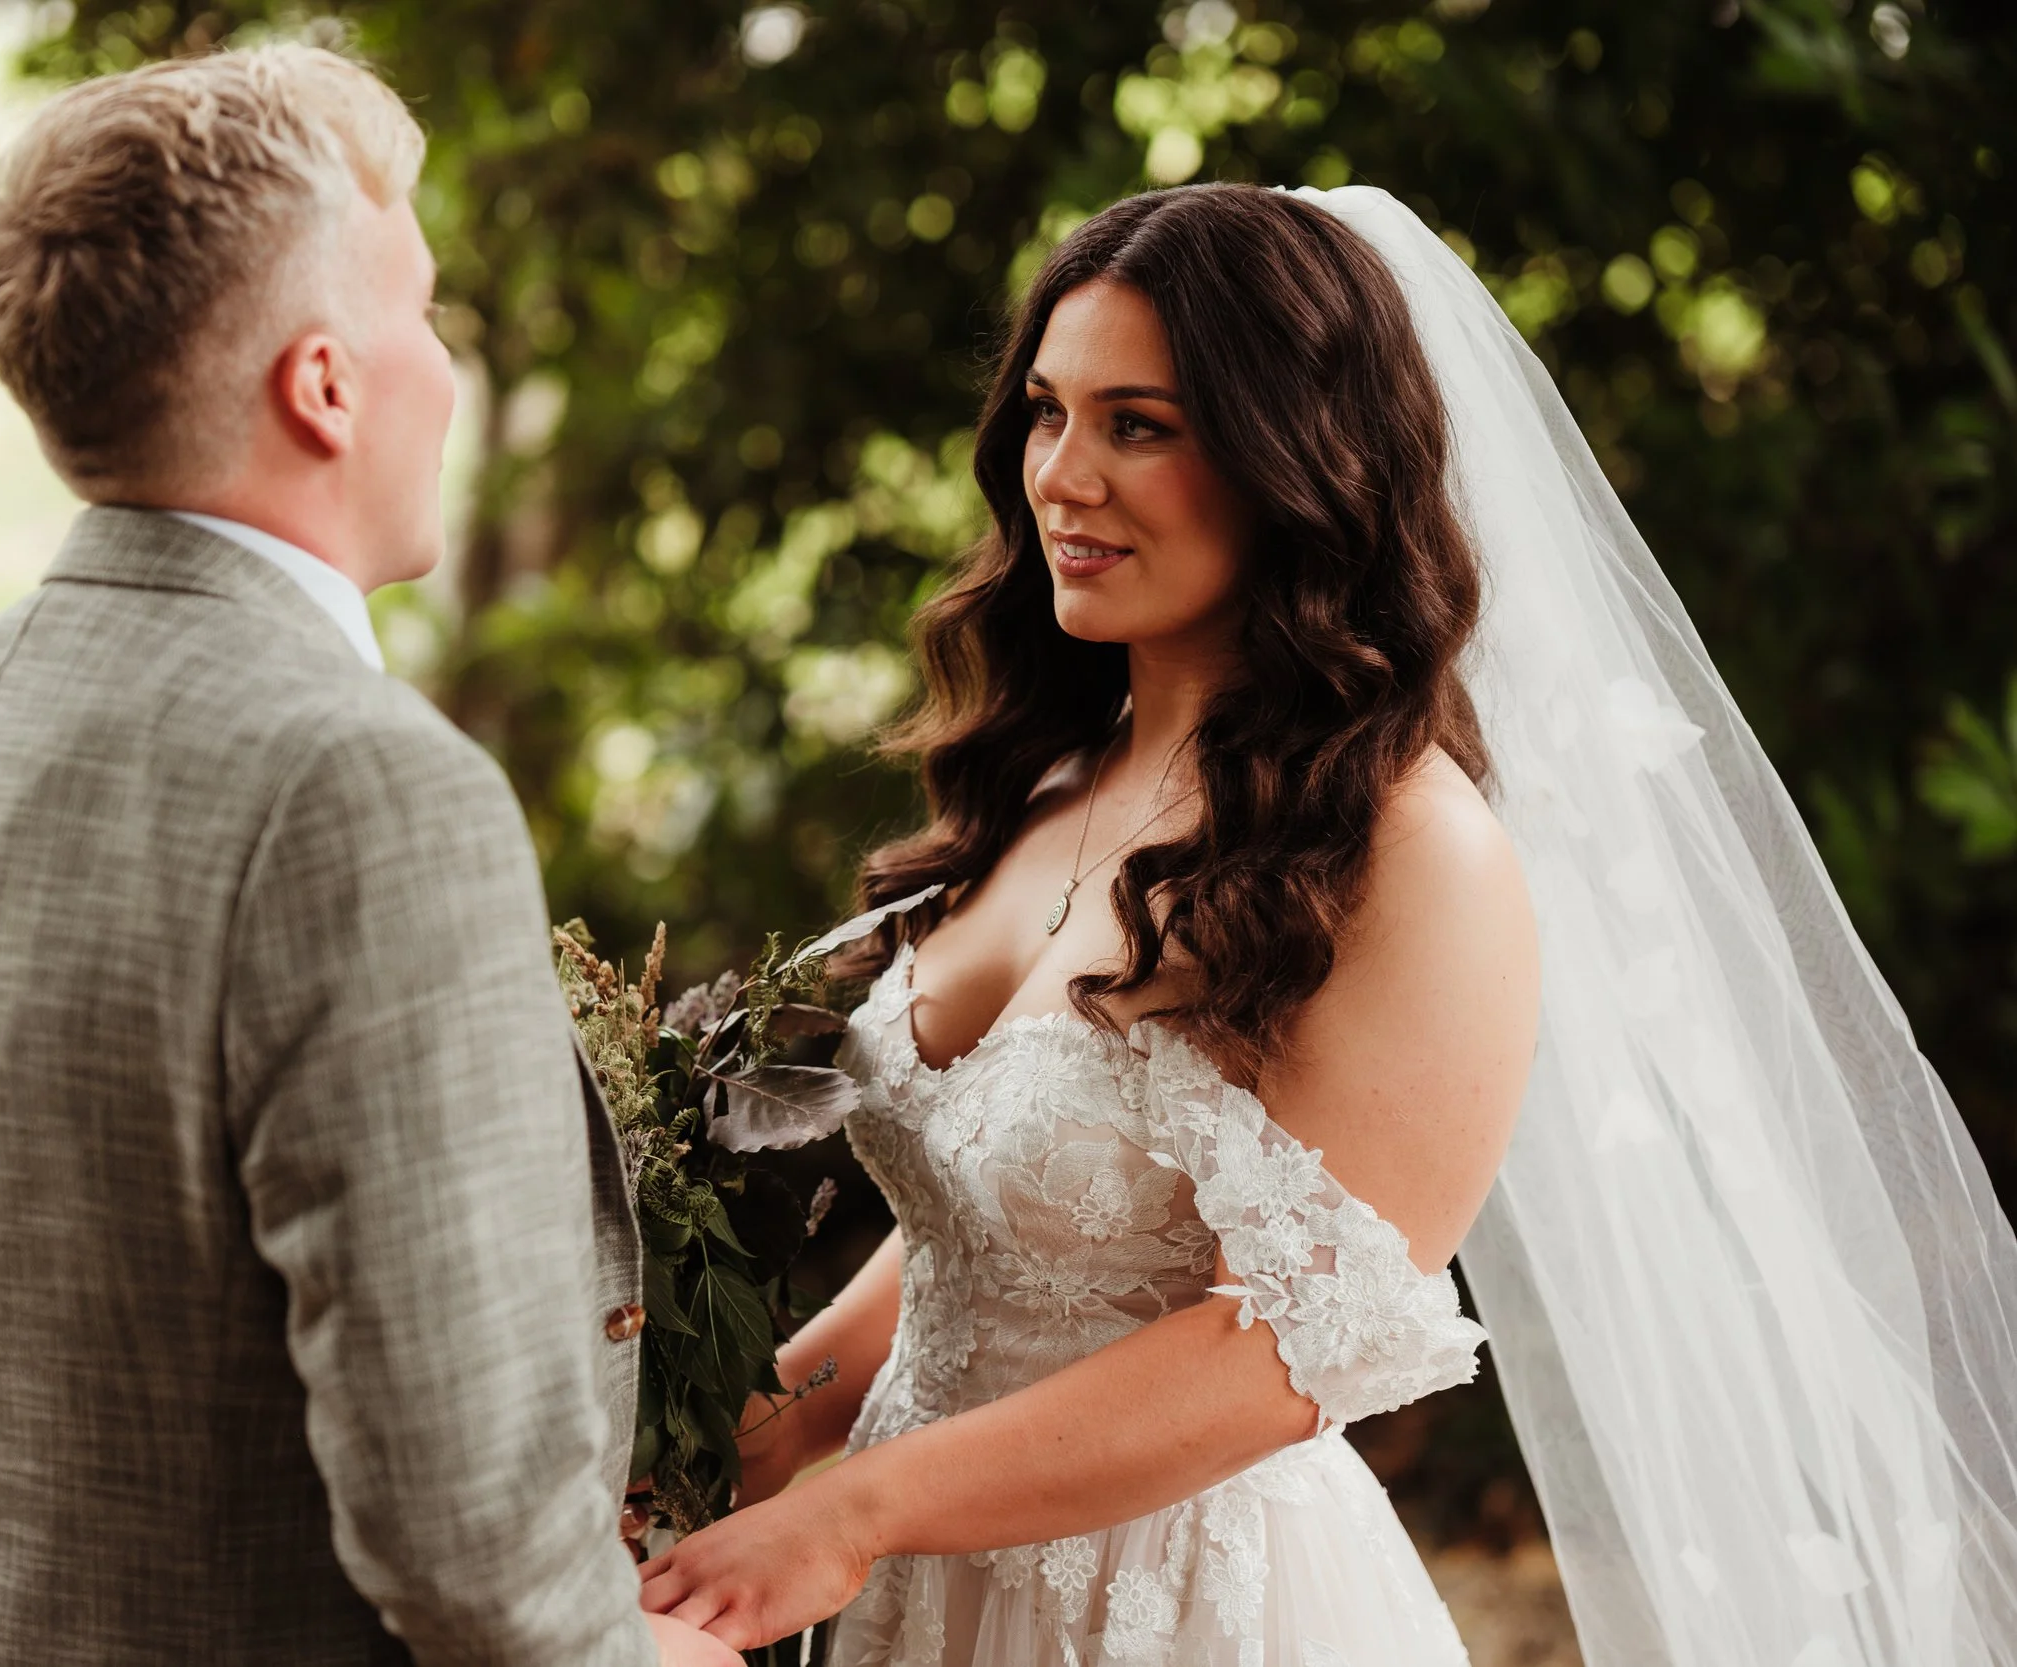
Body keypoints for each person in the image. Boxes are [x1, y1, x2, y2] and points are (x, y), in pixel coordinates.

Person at [638, 185, 2017, 1666]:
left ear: (1296, 460)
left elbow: (1292, 1345)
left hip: (1183, 1612)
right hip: (934, 1592)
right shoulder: (1045, 781)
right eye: (1046, 412)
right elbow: (1012, 1215)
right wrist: (764, 1423)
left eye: (1140, 425)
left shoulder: (1414, 855)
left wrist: (859, 1512)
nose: (1062, 476)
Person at [0, 46, 734, 1667]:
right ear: (324, 384)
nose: (443, 370)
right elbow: (466, 1543)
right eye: (424, 312)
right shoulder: (368, 793)